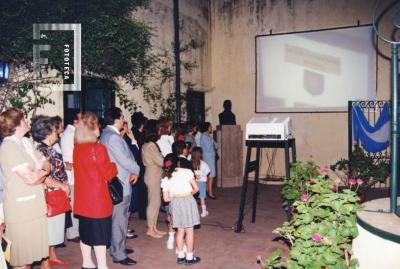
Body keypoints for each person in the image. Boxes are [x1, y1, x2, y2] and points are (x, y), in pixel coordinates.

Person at [0, 108, 51, 269]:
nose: (27, 122)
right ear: (16, 124)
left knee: (29, 257)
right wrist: (41, 173)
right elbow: (30, 178)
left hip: (34, 207)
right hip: (21, 211)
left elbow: (47, 164)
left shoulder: (25, 142)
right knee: (21, 259)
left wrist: (40, 173)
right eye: (24, 119)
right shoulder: (9, 147)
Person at [73, 112, 117, 269]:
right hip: (98, 200)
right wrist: (114, 165)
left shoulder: (77, 149)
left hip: (82, 200)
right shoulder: (98, 148)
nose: (100, 128)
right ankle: (102, 266)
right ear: (93, 128)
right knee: (100, 236)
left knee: (85, 234)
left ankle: (87, 263)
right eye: (98, 125)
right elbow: (109, 172)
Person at [100, 107, 140, 266]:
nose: (124, 120)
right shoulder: (113, 137)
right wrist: (137, 169)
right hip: (121, 183)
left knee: (119, 219)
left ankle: (118, 246)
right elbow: (125, 160)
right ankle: (118, 253)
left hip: (118, 181)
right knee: (120, 219)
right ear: (117, 119)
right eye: (122, 117)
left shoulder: (108, 134)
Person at [31, 115, 70, 266]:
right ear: (47, 133)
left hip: (58, 192)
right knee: (49, 230)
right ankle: (45, 263)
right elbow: (44, 177)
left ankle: (51, 255)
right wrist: (61, 185)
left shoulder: (49, 148)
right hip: (51, 193)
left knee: (55, 230)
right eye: (55, 130)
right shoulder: (41, 150)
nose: (57, 133)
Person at [161, 153, 201, 265]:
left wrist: (175, 196)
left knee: (179, 230)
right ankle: (189, 257)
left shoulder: (166, 177)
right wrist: (188, 194)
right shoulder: (187, 172)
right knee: (189, 230)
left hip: (175, 203)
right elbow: (196, 189)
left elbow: (166, 198)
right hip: (187, 200)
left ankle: (180, 256)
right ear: (178, 162)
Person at [141, 119, 166, 238]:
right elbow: (160, 161)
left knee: (156, 202)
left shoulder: (148, 144)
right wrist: (166, 158)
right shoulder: (150, 145)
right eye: (158, 128)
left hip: (154, 173)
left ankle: (154, 227)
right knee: (153, 202)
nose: (159, 130)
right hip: (153, 174)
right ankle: (150, 228)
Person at [60, 111, 81, 242]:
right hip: (71, 175)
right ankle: (73, 233)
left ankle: (75, 231)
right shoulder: (70, 134)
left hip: (74, 174)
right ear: (74, 120)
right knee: (73, 204)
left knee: (75, 203)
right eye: (80, 117)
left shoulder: (73, 133)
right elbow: (70, 157)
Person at [200, 122, 218, 199]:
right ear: (207, 128)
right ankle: (210, 193)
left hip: (211, 157)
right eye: (210, 127)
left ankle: (208, 190)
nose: (211, 128)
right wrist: (213, 145)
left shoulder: (209, 136)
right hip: (208, 158)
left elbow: (216, 145)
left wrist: (213, 145)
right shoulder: (204, 136)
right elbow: (210, 148)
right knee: (211, 175)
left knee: (209, 175)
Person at [191, 147, 210, 217]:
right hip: (201, 182)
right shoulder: (203, 163)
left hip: (193, 183)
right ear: (201, 154)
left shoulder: (190, 163)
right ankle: (204, 212)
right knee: (202, 197)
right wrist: (202, 174)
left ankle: (192, 212)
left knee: (192, 197)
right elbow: (208, 171)